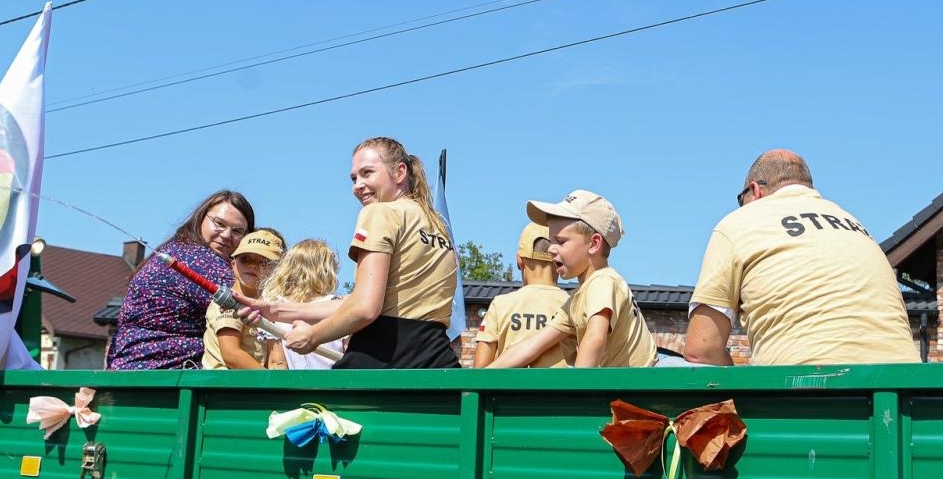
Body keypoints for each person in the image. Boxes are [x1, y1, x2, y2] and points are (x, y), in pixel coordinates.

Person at [683, 149, 918, 366]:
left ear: (754, 191)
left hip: (804, 395)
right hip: (908, 392)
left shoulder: (737, 223)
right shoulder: (855, 223)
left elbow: (702, 350)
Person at [241, 138, 460, 369]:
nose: (358, 185)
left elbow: (365, 308)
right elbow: (369, 301)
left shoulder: (379, 212)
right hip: (437, 361)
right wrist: (273, 310)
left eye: (367, 173)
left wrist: (313, 336)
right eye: (354, 178)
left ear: (400, 172)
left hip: (383, 358)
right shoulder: (438, 226)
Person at [487, 190, 657, 368]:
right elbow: (531, 346)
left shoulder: (603, 281)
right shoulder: (577, 299)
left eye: (560, 242)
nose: (551, 249)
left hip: (638, 391)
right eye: (551, 241)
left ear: (594, 244)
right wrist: (481, 378)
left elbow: (595, 338)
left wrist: (577, 391)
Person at [107, 190, 255, 370]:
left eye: (237, 231)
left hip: (133, 368)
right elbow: (252, 304)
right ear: (201, 218)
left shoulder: (176, 249)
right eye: (219, 223)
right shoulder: (198, 260)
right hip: (163, 373)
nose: (226, 235)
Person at [472, 223, 568, 368]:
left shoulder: (501, 304)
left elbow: (480, 369)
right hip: (563, 390)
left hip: (509, 390)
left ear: (519, 260)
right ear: (559, 259)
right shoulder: (573, 304)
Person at [202, 229, 284, 369]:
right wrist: (271, 383)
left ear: (277, 270)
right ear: (233, 264)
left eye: (264, 262)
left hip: (252, 383)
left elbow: (276, 359)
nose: (253, 265)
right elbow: (232, 355)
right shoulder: (228, 302)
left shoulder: (270, 306)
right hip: (223, 385)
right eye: (245, 259)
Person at [260, 239, 346, 369]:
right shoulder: (340, 307)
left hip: (293, 384)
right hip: (335, 384)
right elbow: (349, 356)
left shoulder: (275, 308)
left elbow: (277, 363)